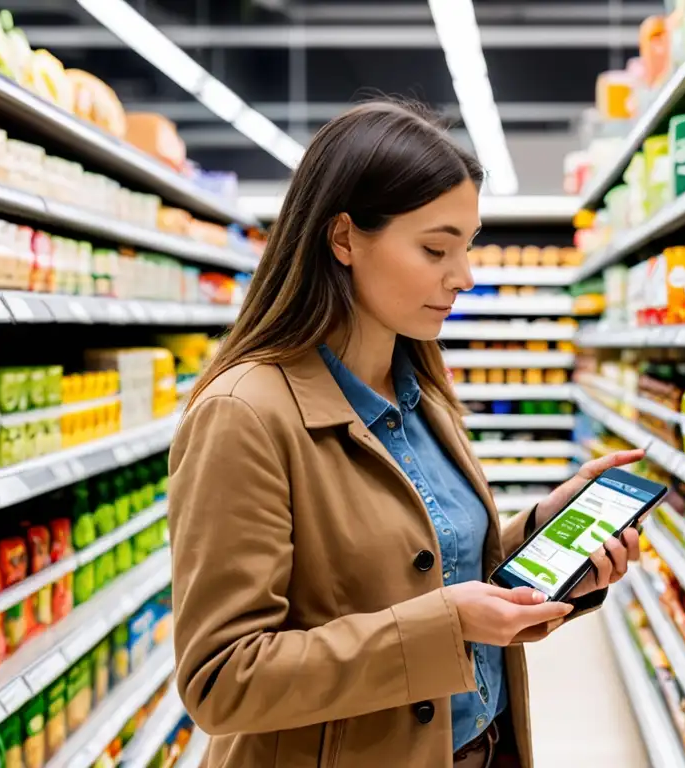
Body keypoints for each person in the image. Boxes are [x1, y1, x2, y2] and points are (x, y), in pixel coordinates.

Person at [168, 101, 644, 768]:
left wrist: (543, 532)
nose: (464, 276)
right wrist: (448, 626)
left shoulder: (421, 390)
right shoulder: (245, 415)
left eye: (467, 246)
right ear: (343, 239)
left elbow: (424, 573)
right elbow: (222, 680)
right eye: (434, 248)